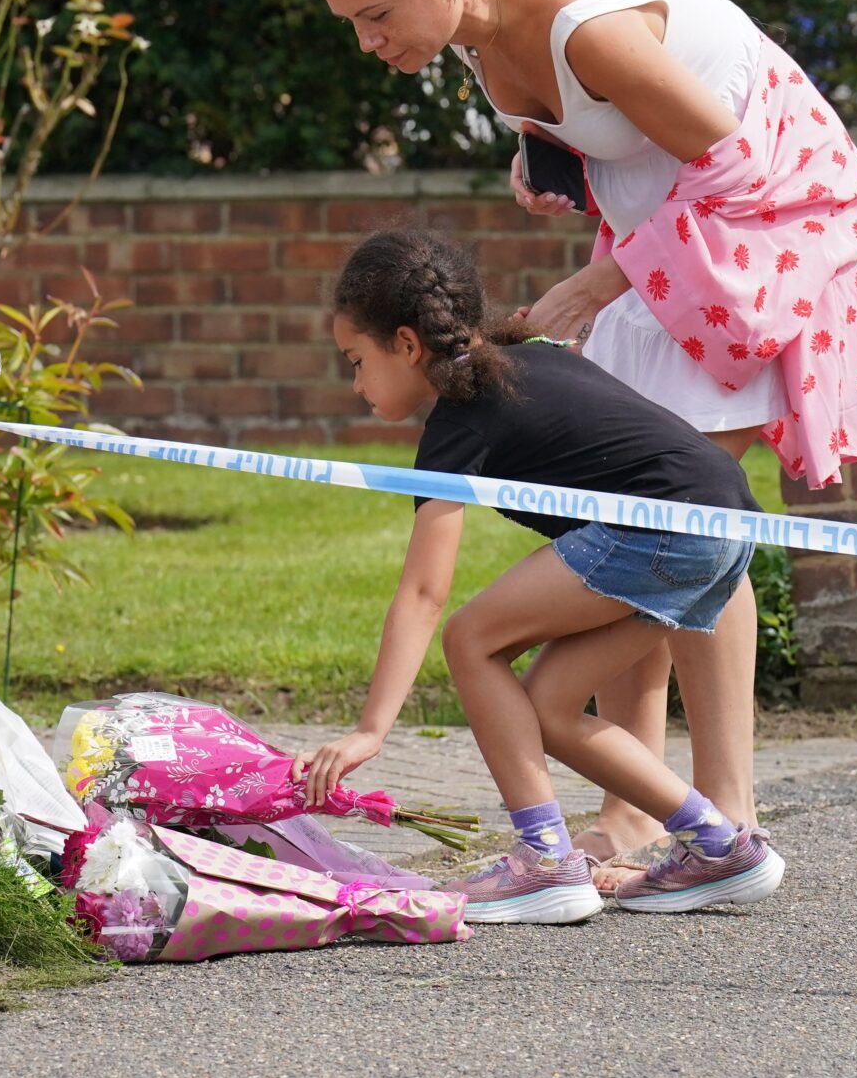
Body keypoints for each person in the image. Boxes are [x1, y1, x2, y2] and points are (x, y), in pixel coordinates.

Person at [301, 0, 857, 892]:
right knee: (637, 511)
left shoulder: (581, 19)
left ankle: (726, 816)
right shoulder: (476, 30)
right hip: (656, 235)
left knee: (696, 510)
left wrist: (596, 284)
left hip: (746, 234)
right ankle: (627, 811)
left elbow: (742, 159)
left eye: (376, 14)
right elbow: (600, 133)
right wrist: (550, 162)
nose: (367, 41)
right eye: (350, 22)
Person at [296, 229, 785, 922]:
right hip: (726, 520)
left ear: (406, 344)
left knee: (470, 638)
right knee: (550, 703)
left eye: (356, 359)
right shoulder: (527, 356)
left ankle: (544, 860)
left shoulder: (458, 420)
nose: (355, 383)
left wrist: (372, 730)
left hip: (668, 524)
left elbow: (426, 591)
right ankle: (719, 843)